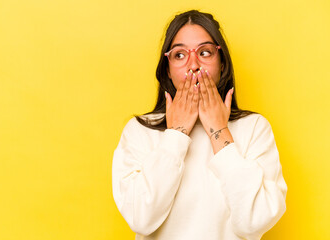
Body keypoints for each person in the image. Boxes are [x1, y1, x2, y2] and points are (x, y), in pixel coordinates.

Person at [112, 10, 287, 240]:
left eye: (205, 52)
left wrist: (219, 132)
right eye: (180, 55)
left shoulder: (254, 128)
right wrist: (176, 134)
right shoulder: (139, 131)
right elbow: (141, 220)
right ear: (167, 69)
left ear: (222, 63)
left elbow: (254, 222)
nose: (193, 65)